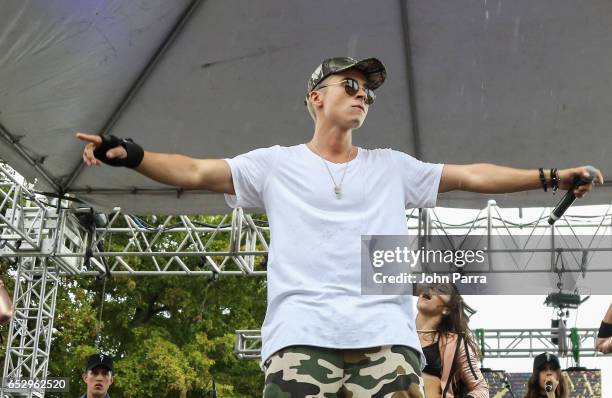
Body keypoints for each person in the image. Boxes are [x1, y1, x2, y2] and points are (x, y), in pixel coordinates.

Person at [76, 56, 603, 396]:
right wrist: (133, 154)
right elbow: (193, 171)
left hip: (387, 344)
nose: (362, 96)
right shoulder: (274, 164)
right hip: (299, 340)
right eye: (350, 85)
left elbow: (470, 175)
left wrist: (552, 176)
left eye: (368, 93)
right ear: (316, 97)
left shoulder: (391, 166)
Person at [416, 283, 488, 398]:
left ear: (446, 309)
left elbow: (480, 387)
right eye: (430, 285)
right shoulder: (397, 333)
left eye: (441, 289)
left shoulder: (456, 343)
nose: (432, 289)